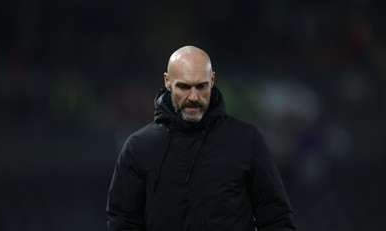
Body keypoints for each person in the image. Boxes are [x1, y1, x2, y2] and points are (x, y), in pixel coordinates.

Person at [106, 45, 296, 230]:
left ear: (212, 80)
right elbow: (123, 221)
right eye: (184, 87)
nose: (194, 97)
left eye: (201, 86)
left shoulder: (246, 140)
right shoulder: (139, 147)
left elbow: (276, 218)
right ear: (167, 82)